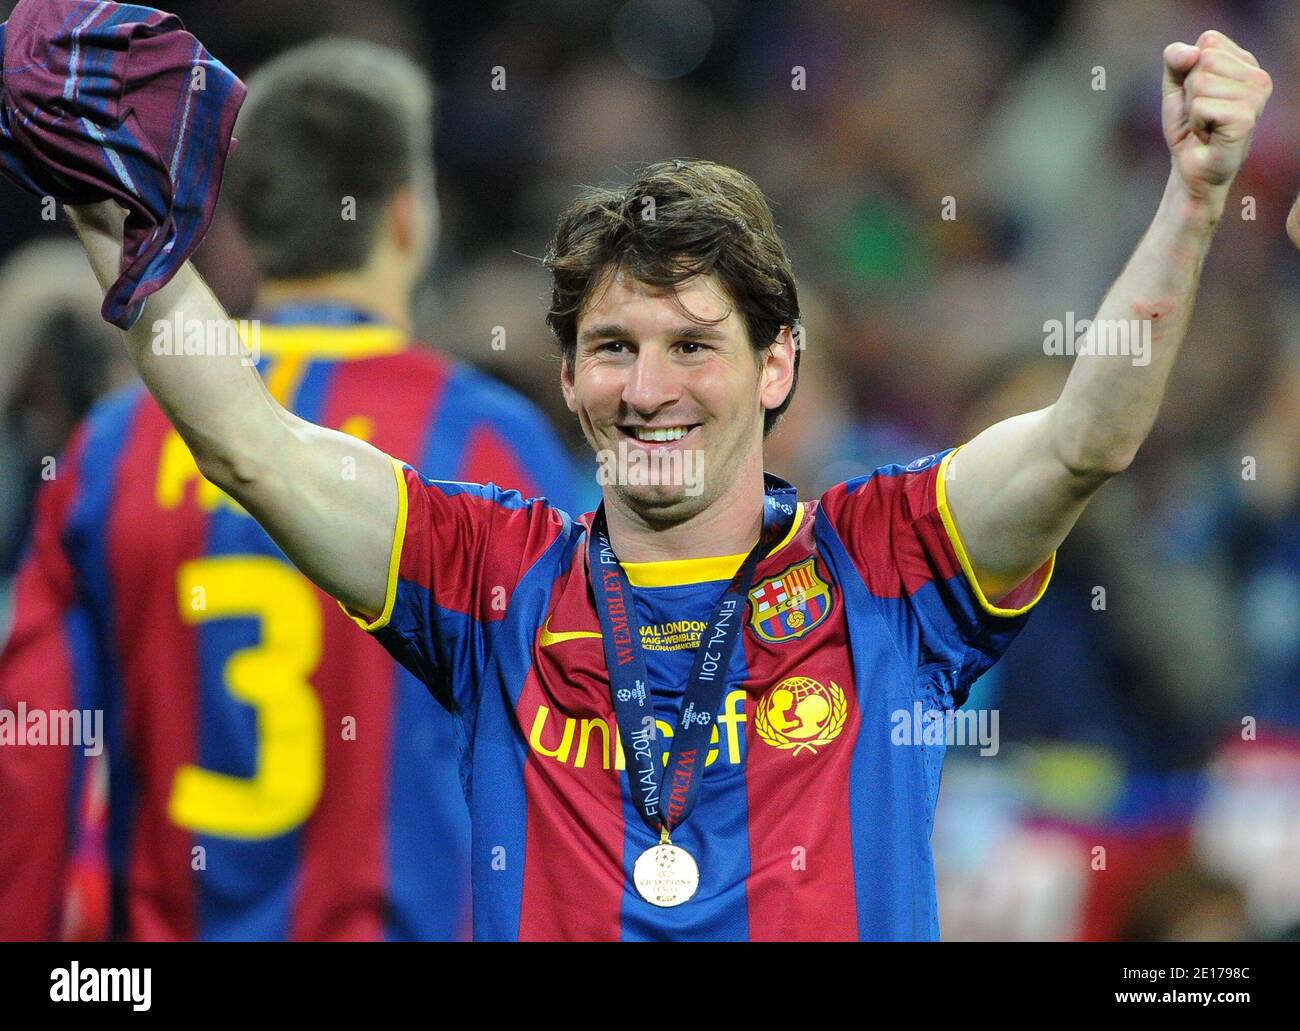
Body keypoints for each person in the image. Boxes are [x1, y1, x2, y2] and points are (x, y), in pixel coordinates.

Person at [48, 30, 1269, 940]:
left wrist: (1193, 199)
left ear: (776, 362)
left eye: (693, 346)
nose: (649, 388)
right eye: (613, 348)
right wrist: (118, 212)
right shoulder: (488, 576)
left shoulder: (887, 558)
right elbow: (248, 442)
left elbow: (1083, 440)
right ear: (570, 376)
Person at [0, 38, 580, 941]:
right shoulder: (491, 446)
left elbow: (30, 757)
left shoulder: (113, 442)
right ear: (404, 218)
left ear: (247, 224)